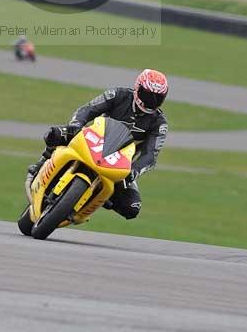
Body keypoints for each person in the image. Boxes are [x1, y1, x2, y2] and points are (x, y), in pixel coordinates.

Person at [26, 68, 168, 219]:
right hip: (92, 141)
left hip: (119, 164)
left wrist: (133, 172)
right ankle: (42, 161)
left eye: (157, 98)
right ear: (137, 88)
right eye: (147, 95)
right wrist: (76, 125)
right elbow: (88, 109)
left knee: (131, 208)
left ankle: (99, 198)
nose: (150, 102)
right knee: (55, 134)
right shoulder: (118, 95)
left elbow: (150, 155)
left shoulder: (159, 124)